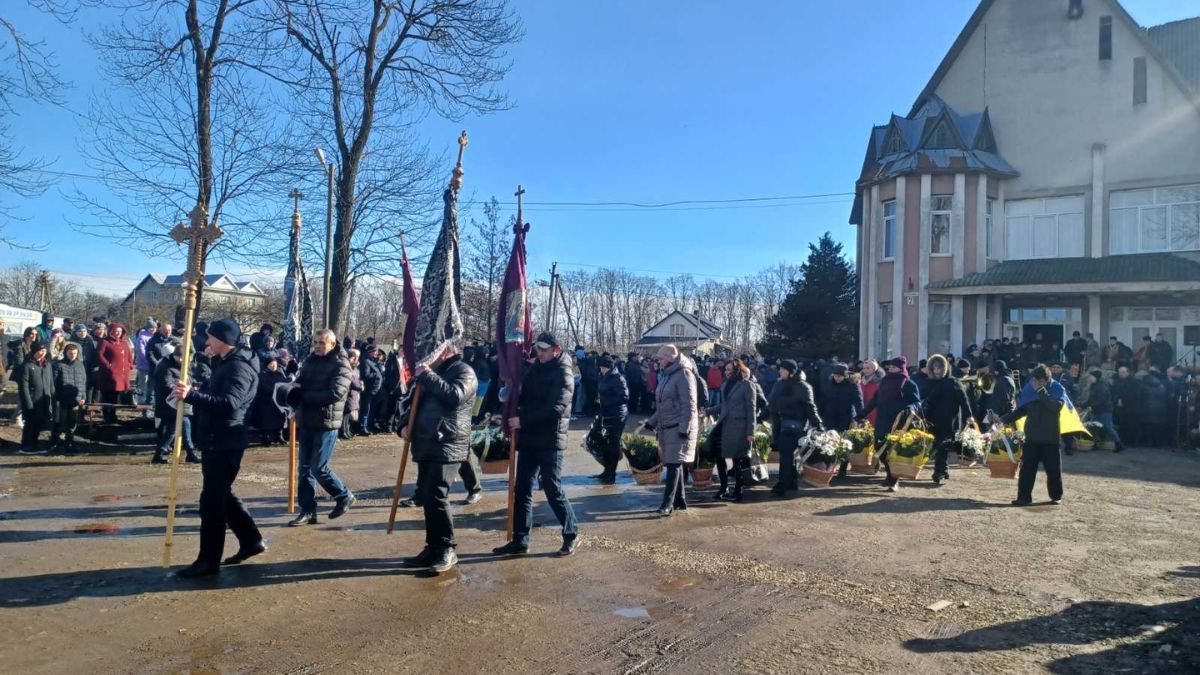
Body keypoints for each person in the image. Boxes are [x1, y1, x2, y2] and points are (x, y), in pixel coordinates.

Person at [171, 319, 265, 578]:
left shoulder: (238, 366)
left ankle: (208, 560)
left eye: (210, 337)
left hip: (225, 440)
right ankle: (251, 540)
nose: (207, 341)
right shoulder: (225, 362)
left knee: (212, 502)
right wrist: (196, 390)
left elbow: (230, 402)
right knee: (222, 495)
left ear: (223, 340)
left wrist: (192, 396)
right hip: (217, 438)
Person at [494, 332, 579, 557]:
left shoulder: (564, 373)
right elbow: (524, 394)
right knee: (522, 488)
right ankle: (520, 539)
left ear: (556, 350)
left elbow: (556, 408)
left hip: (550, 438)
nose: (539, 353)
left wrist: (522, 420)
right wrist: (511, 394)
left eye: (544, 349)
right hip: (529, 438)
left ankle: (571, 532)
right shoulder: (535, 368)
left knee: (552, 487)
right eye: (538, 348)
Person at [398, 344, 476, 573]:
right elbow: (412, 402)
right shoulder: (431, 373)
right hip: (426, 442)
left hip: (448, 442)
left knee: (437, 495)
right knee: (428, 496)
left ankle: (446, 548)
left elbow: (454, 397)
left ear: (444, 350)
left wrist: (428, 375)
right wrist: (403, 424)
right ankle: (432, 547)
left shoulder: (464, 371)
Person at [288, 329, 355, 526]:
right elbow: (300, 383)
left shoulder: (341, 364)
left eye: (321, 343)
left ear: (333, 344)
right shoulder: (309, 361)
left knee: (318, 467)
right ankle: (308, 510)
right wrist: (292, 391)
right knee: (304, 470)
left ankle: (343, 495)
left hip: (326, 423)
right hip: (306, 420)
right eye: (315, 342)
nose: (317, 346)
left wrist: (303, 394)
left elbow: (335, 393)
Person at [645, 345, 697, 515]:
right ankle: (680, 500)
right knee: (674, 463)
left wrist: (684, 428)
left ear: (670, 358)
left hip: (678, 427)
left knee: (673, 464)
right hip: (666, 426)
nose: (658, 362)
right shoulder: (668, 375)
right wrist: (651, 422)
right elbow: (663, 404)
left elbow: (689, 405)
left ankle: (667, 504)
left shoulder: (684, 374)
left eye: (661, 358)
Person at [1001, 365, 1064, 507]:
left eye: (1038, 381)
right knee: (1027, 470)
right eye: (1034, 380)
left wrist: (1042, 392)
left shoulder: (1057, 388)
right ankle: (1023, 498)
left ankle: (1056, 496)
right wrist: (1004, 419)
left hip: (1050, 438)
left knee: (1053, 470)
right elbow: (1022, 410)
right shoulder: (1030, 389)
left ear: (1045, 380)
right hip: (1031, 437)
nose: (1034, 383)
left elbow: (1055, 407)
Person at [857, 357, 920, 492]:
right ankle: (889, 472)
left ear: (901, 369)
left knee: (894, 451)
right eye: (890, 367)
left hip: (899, 422)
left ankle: (893, 478)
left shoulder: (908, 383)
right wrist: (861, 415)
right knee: (879, 447)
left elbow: (916, 402)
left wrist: (910, 408)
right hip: (882, 420)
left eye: (894, 367)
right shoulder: (884, 382)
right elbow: (874, 401)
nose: (891, 369)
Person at [770, 359, 824, 496]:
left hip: (798, 425)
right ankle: (790, 482)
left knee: (788, 455)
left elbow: (810, 407)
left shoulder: (803, 387)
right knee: (786, 455)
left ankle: (784, 483)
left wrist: (818, 424)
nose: (780, 371)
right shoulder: (778, 384)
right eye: (780, 369)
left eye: (783, 369)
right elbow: (772, 403)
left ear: (791, 372)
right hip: (781, 424)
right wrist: (761, 417)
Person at [706, 358, 756, 502]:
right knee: (718, 456)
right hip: (723, 425)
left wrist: (750, 432)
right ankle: (723, 488)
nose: (726, 372)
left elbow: (751, 409)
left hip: (739, 427)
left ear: (737, 370)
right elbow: (724, 405)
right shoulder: (725, 384)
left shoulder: (747, 385)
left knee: (737, 460)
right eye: (726, 370)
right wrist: (707, 411)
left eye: (729, 370)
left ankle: (738, 490)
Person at [922, 354, 974, 485]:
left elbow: (964, 401)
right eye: (934, 368)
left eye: (939, 368)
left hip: (949, 420)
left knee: (942, 445)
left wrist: (969, 416)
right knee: (937, 446)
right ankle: (943, 469)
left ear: (944, 368)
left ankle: (939, 471)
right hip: (931, 419)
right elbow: (923, 399)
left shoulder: (953, 382)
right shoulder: (929, 382)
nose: (937, 371)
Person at [152, 338, 200, 464]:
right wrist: (181, 388)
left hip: (179, 402)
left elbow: (191, 378)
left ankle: (161, 453)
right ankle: (189, 453)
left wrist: (194, 385)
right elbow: (166, 384)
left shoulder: (183, 366)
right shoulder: (165, 366)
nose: (182, 360)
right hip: (168, 403)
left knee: (173, 428)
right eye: (179, 357)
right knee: (180, 425)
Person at [820, 363, 863, 478]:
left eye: (839, 376)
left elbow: (858, 402)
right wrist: (820, 415)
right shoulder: (830, 384)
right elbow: (824, 399)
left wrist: (861, 417)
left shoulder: (852, 385)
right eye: (835, 376)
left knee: (844, 443)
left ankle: (843, 468)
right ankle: (829, 466)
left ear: (845, 376)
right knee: (829, 442)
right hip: (830, 417)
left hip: (846, 417)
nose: (837, 378)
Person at [595, 355, 629, 484]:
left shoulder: (618, 378)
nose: (601, 369)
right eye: (600, 367)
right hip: (606, 414)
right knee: (605, 443)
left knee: (613, 444)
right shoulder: (603, 376)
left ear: (609, 367)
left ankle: (612, 474)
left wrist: (608, 402)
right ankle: (607, 470)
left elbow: (624, 396)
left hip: (617, 415)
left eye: (603, 367)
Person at [18, 341, 54, 454]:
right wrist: (28, 403)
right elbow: (23, 387)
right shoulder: (27, 365)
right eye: (40, 351)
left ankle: (34, 444)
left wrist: (52, 396)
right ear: (34, 351)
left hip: (44, 400)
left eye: (44, 351)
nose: (42, 353)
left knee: (39, 423)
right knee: (30, 424)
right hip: (32, 400)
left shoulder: (47, 365)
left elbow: (51, 383)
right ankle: (26, 446)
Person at [52, 342, 88, 452]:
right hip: (62, 399)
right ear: (65, 353)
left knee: (73, 422)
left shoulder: (80, 365)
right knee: (60, 422)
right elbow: (54, 383)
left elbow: (83, 382)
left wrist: (83, 396)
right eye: (70, 353)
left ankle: (70, 441)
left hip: (76, 399)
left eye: (75, 353)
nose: (72, 355)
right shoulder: (59, 365)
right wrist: (56, 397)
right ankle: (56, 442)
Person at [97, 322, 133, 423]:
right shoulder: (105, 342)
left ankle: (113, 415)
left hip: (122, 374)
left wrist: (129, 364)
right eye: (116, 331)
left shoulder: (124, 343)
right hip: (109, 374)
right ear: (111, 331)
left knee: (116, 396)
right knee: (108, 395)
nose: (118, 333)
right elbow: (100, 355)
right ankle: (107, 416)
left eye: (120, 331)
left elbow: (129, 355)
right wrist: (108, 365)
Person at [1083, 369, 1125, 452]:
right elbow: (1091, 399)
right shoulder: (1095, 386)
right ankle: (1095, 444)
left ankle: (1119, 444)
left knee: (1108, 427)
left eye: (1091, 376)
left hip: (1104, 411)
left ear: (1095, 377)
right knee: (1095, 427)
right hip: (1098, 410)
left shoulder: (1101, 387)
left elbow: (1101, 400)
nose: (1089, 378)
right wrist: (1083, 405)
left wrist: (1091, 406)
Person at [255, 356, 289, 446]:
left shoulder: (280, 374)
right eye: (271, 364)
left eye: (275, 364)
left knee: (280, 419)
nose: (273, 366)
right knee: (266, 420)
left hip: (278, 401)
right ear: (267, 365)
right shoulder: (262, 375)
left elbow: (284, 384)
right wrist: (273, 390)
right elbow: (262, 386)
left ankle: (279, 436)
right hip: (266, 401)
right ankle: (265, 437)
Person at [1112, 366, 1141, 447]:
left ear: (1128, 372)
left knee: (1131, 426)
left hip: (1131, 408)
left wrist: (1123, 400)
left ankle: (1132, 442)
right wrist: (1117, 400)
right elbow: (1113, 392)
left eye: (1123, 372)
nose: (1121, 374)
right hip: (1119, 408)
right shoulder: (1116, 382)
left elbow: (1135, 394)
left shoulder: (1134, 382)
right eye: (1120, 372)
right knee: (1121, 425)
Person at [358, 346, 383, 435]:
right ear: (370, 352)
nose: (377, 353)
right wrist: (376, 375)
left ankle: (368, 426)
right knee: (366, 409)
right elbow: (366, 375)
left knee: (370, 409)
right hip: (369, 389)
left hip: (375, 390)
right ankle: (362, 427)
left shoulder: (373, 361)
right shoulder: (366, 362)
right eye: (375, 351)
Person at [341, 349, 364, 440]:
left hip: (353, 393)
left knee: (348, 414)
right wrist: (360, 386)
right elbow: (353, 380)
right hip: (348, 392)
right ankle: (343, 431)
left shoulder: (354, 367)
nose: (355, 360)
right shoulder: (347, 367)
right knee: (345, 413)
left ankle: (347, 430)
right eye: (353, 358)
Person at [133, 319, 156, 409]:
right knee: (143, 383)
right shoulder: (142, 336)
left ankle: (150, 399)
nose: (153, 329)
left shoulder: (154, 336)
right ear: (147, 328)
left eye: (154, 328)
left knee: (151, 384)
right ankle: (141, 400)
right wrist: (148, 359)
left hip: (152, 365)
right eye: (151, 328)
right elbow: (141, 350)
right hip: (143, 364)